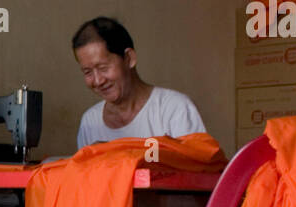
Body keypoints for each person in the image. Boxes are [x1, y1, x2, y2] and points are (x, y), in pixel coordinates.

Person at [72, 16, 206, 150]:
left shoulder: (174, 109)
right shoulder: (90, 122)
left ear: (129, 58)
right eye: (87, 72)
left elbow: (198, 167)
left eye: (103, 68)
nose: (98, 81)